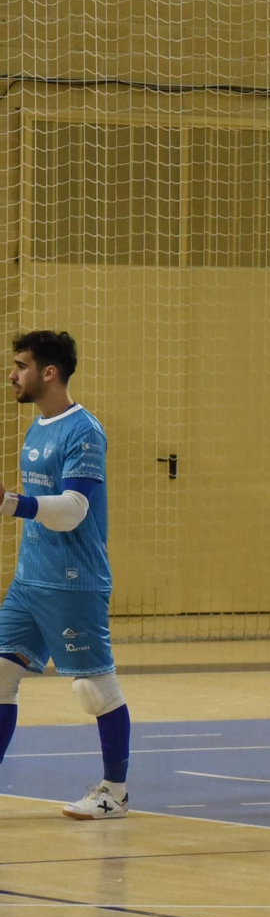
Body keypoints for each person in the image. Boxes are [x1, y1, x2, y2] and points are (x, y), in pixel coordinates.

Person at [0, 332, 129, 820]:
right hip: (30, 579)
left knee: (93, 690)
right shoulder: (38, 427)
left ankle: (114, 793)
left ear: (48, 372)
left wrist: (11, 503)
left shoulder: (84, 431)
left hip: (73, 580)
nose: (12, 375)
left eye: (20, 365)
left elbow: (74, 510)